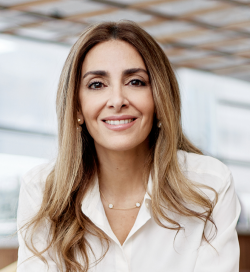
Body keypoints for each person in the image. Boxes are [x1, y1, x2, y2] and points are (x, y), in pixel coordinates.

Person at [17, 20, 241, 272]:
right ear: (77, 107)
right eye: (97, 84)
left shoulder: (209, 185)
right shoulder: (42, 190)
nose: (117, 100)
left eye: (135, 82)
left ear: (159, 99)